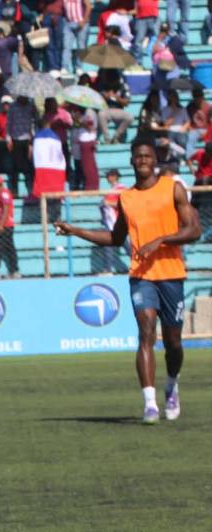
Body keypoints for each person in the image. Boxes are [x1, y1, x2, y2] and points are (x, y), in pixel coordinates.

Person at [55, 139, 200, 423]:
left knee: (173, 342)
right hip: (141, 275)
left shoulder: (172, 188)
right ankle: (150, 404)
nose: (143, 160)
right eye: (138, 156)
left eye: (148, 155)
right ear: (131, 161)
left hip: (171, 274)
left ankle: (172, 385)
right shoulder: (126, 198)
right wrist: (75, 231)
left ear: (155, 160)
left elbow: (194, 230)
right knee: (146, 332)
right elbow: (115, 237)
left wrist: (160, 240)